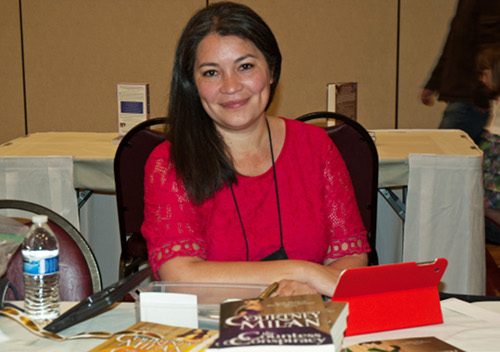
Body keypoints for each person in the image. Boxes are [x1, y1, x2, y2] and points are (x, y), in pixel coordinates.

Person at [141, 1, 369, 298]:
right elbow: (181, 279)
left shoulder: (317, 148)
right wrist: (303, 272)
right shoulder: (169, 163)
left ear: (271, 71)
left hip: (307, 324)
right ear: (192, 85)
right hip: (210, 332)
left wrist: (307, 288)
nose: (231, 86)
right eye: (211, 73)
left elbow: (350, 257)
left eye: (245, 66)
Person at [420, 0, 500, 144]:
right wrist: (434, 82)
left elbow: (490, 48)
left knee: (445, 154)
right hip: (463, 92)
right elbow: (453, 42)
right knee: (448, 153)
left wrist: (482, 92)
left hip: (470, 95)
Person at [476, 45, 500, 244]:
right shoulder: (495, 99)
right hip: (492, 155)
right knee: (483, 203)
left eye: (485, 73)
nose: (482, 79)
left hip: (495, 159)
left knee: (485, 204)